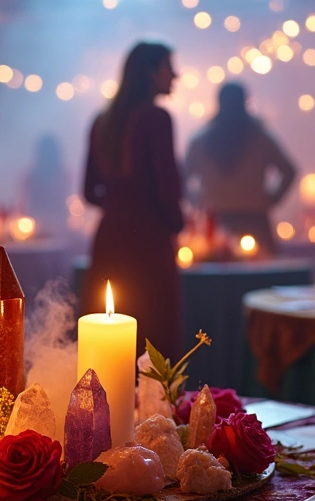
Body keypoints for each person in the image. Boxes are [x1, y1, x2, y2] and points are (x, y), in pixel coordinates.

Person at [83, 41, 185, 356]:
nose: (176, 75)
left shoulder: (103, 120)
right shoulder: (156, 118)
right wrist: (174, 223)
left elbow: (89, 191)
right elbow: (168, 189)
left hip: (110, 238)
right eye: (169, 67)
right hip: (148, 243)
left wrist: (120, 206)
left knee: (111, 340)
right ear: (150, 72)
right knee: (154, 336)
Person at [184, 83, 296, 251]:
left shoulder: (201, 141)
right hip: (252, 218)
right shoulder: (261, 138)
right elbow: (289, 171)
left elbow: (181, 178)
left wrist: (198, 200)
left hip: (219, 220)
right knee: (261, 274)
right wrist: (272, 198)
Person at [21, 134, 72, 240]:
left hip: (60, 227)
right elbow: (26, 204)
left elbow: (65, 200)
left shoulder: (63, 175)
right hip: (36, 227)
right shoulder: (31, 177)